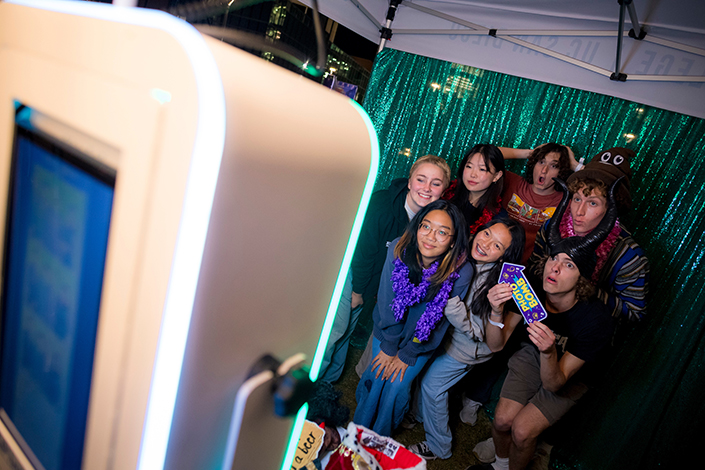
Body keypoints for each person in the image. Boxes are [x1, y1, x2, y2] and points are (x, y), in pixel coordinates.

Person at [471, 148, 650, 467]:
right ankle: (506, 450)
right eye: (577, 198)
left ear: (612, 207)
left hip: (580, 349)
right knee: (505, 420)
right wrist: (514, 303)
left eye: (593, 203)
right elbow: (538, 271)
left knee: (527, 429)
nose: (579, 212)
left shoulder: (629, 255)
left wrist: (581, 288)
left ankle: (531, 445)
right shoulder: (553, 229)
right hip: (539, 334)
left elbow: (635, 313)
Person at [318, 155, 451, 382]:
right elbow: (363, 251)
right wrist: (358, 291)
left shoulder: (430, 219)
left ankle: (326, 387)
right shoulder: (382, 205)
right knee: (333, 334)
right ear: (409, 182)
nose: (427, 188)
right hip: (351, 274)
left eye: (435, 183)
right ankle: (306, 391)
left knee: (345, 333)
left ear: (443, 190)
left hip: (374, 283)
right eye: (421, 179)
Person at [407, 218, 526, 461]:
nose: (485, 243)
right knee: (424, 374)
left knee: (433, 386)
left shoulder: (498, 286)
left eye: (497, 246)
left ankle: (439, 446)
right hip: (447, 337)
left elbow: (479, 333)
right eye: (487, 233)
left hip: (468, 349)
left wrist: (450, 304)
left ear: (504, 257)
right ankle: (418, 414)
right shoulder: (464, 258)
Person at [353, 200, 473, 437]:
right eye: (426, 226)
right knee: (376, 377)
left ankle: (379, 440)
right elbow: (387, 301)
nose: (430, 237)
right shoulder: (399, 248)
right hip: (388, 331)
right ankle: (356, 433)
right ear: (417, 227)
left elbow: (439, 321)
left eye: (442, 232)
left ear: (453, 240)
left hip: (420, 342)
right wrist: (389, 347)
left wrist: (408, 352)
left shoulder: (461, 270)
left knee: (396, 387)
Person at [499, 144, 575, 263]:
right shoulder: (513, 183)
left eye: (553, 166)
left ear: (561, 172)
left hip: (529, 269)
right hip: (494, 257)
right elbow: (486, 155)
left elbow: (601, 191)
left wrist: (575, 165)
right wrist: (531, 153)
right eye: (541, 162)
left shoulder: (564, 202)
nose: (544, 170)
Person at [444, 144, 506, 235]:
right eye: (469, 166)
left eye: (482, 169)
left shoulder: (498, 217)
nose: (473, 175)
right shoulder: (446, 192)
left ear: (497, 176)